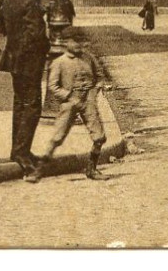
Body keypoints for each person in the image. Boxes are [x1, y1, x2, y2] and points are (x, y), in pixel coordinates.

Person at [30, 26, 110, 182]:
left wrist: (94, 92)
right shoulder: (59, 62)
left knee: (99, 137)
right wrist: (68, 96)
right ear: (66, 42)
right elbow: (53, 86)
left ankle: (92, 169)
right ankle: (38, 171)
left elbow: (100, 77)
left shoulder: (89, 58)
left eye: (80, 41)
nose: (78, 45)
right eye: (75, 41)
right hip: (69, 102)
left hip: (87, 100)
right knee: (57, 137)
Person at [0, 0, 50, 173]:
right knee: (32, 106)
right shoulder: (32, 4)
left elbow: (0, 29)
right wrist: (45, 48)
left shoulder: (9, 1)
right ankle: (22, 151)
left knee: (19, 103)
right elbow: (35, 35)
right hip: (30, 62)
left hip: (13, 61)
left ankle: (18, 149)